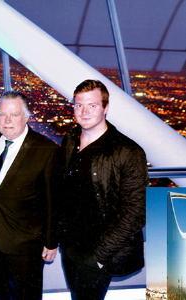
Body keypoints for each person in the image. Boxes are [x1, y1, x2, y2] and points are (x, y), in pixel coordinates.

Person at [57, 79, 148, 300]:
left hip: (98, 250)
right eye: (79, 105)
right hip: (70, 247)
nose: (84, 111)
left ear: (105, 108)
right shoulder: (69, 141)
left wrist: (98, 256)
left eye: (93, 105)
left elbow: (135, 213)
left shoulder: (127, 151)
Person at [0, 91, 58, 300]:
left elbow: (53, 201)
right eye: (2, 114)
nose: (7, 120)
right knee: (0, 293)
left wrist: (51, 242)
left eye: (14, 115)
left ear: (26, 117)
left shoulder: (46, 149)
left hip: (27, 244)